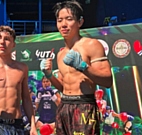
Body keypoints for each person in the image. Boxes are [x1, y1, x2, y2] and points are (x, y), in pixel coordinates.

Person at [40, 1, 113, 135]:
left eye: (69, 19)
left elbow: (107, 81)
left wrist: (83, 67)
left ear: (80, 22)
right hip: (64, 105)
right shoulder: (60, 54)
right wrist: (49, 75)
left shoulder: (92, 45)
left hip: (84, 105)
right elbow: (63, 88)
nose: (63, 24)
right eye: (60, 20)